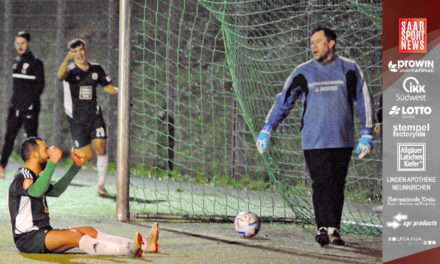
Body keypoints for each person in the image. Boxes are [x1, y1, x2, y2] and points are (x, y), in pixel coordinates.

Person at [256, 27, 375, 246]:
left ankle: (334, 229)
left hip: (342, 139)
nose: (313, 46)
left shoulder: (349, 68)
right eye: (312, 42)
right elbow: (284, 100)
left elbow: (364, 99)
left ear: (331, 43)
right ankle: (322, 228)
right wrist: (267, 128)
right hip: (314, 140)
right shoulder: (303, 72)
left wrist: (367, 133)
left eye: (318, 41)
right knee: (321, 182)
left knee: (337, 184)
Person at [8, 137, 159, 256]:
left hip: (43, 233)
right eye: (45, 149)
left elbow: (56, 190)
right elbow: (36, 191)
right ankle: (126, 250)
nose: (49, 152)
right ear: (34, 155)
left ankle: (146, 245)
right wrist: (53, 162)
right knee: (74, 236)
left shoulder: (36, 177)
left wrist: (75, 166)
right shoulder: (22, 176)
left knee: (89, 231)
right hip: (29, 239)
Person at [57, 38, 118, 195]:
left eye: (81, 49)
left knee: (101, 147)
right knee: (88, 156)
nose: (79, 53)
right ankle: (77, 149)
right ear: (72, 54)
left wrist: (121, 91)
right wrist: (66, 59)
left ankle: (101, 185)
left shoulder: (96, 69)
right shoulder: (69, 70)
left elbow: (108, 87)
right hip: (77, 119)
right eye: (75, 51)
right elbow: (60, 75)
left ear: (85, 50)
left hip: (94, 116)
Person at [0, 31, 45, 179]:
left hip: (30, 107)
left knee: (32, 139)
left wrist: (29, 103)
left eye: (23, 43)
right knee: (9, 137)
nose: (20, 46)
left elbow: (39, 86)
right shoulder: (16, 62)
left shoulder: (36, 63)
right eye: (17, 43)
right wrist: (15, 103)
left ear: (29, 44)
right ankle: (2, 167)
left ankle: (37, 170)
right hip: (16, 107)